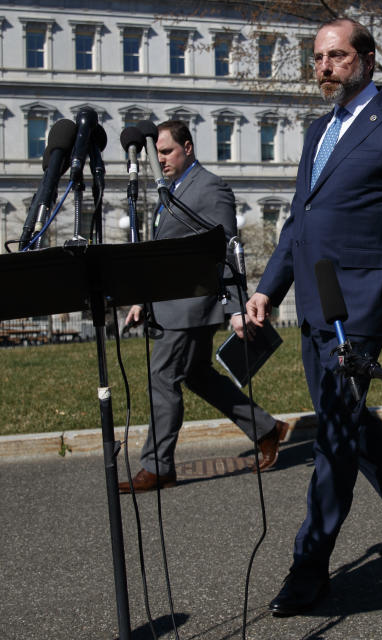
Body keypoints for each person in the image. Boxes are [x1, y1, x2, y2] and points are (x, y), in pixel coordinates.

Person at [245, 18, 382, 615]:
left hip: (361, 304)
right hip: (314, 297)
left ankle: (309, 569)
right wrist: (267, 289)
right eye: (317, 57)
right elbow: (300, 221)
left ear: (366, 59)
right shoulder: (318, 131)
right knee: (347, 421)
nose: (324, 66)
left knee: (334, 437)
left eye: (336, 55)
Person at [119, 120, 289, 494]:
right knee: (196, 375)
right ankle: (266, 428)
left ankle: (158, 466)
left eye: (166, 151)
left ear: (188, 148)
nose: (159, 159)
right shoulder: (171, 190)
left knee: (162, 378)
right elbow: (167, 256)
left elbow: (226, 249)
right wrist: (143, 299)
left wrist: (235, 308)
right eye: (157, 153)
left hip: (192, 308)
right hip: (171, 305)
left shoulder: (209, 187)